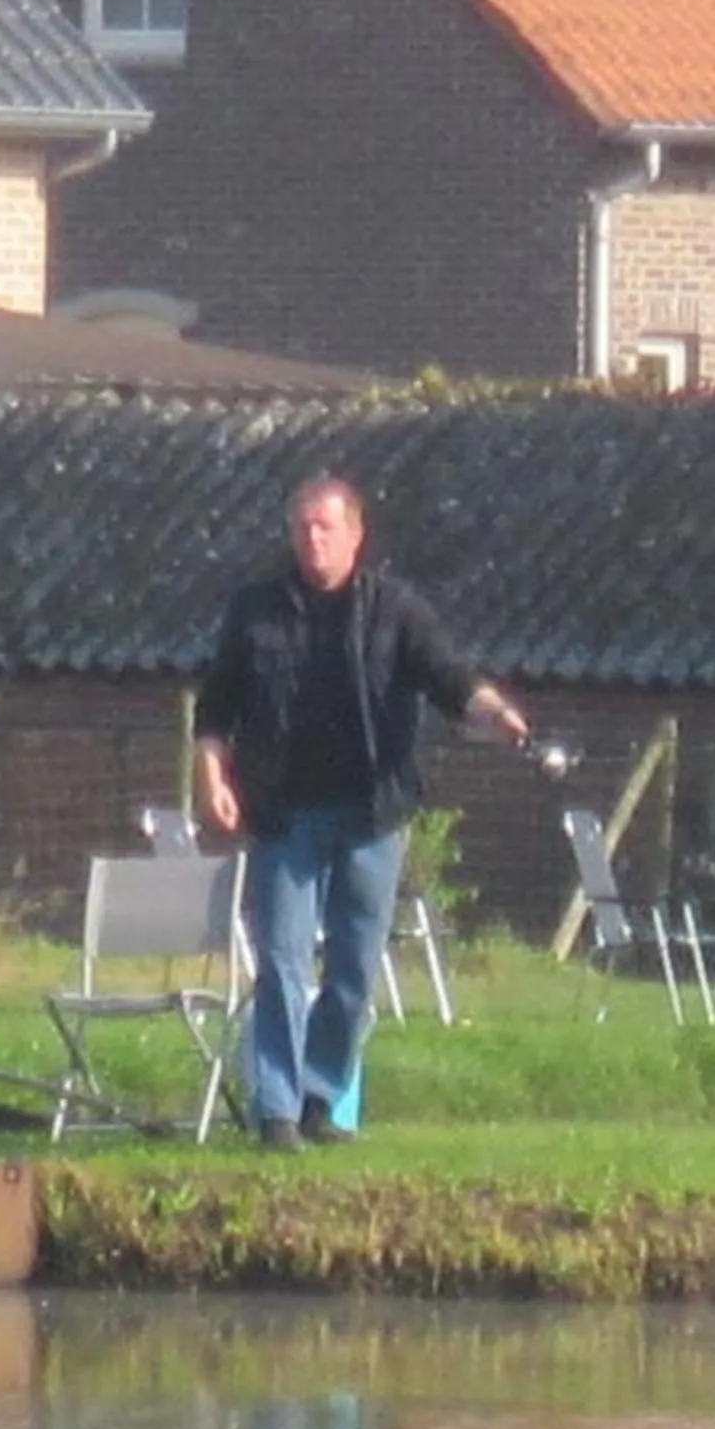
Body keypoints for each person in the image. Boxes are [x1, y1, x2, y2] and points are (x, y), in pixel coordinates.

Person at [197, 473, 527, 1151]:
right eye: (302, 528)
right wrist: (212, 776)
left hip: (373, 813)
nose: (312, 539)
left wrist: (494, 713)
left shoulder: (396, 610)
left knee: (353, 967)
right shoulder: (255, 611)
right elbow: (216, 705)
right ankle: (278, 1111)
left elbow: (449, 677)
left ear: (355, 534)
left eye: (325, 527)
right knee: (284, 961)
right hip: (284, 812)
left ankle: (322, 1096)